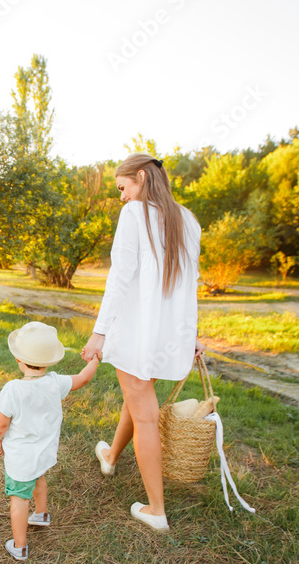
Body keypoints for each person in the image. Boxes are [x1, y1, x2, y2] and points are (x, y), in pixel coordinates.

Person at [80, 153, 204, 533]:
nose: (121, 197)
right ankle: (111, 456)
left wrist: (100, 331)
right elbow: (190, 285)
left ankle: (156, 509)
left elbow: (120, 277)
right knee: (138, 398)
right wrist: (192, 334)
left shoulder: (135, 214)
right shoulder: (188, 219)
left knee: (144, 412)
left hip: (137, 333)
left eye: (122, 188)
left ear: (141, 177)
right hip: (166, 336)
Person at [0, 322, 99, 561]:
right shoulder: (55, 382)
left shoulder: (13, 389)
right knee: (39, 477)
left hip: (21, 458)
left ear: (18, 359)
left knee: (19, 499)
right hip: (43, 452)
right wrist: (95, 360)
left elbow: (0, 423)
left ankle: (20, 546)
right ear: (50, 361)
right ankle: (41, 514)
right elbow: (82, 379)